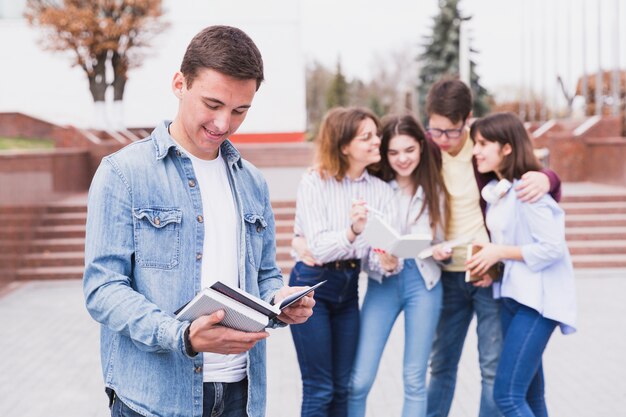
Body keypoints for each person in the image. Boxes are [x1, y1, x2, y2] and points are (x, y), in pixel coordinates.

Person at [83, 25, 314, 417]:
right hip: (154, 400)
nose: (223, 124)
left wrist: (279, 301)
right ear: (179, 83)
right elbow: (103, 290)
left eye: (240, 111)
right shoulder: (124, 173)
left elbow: (263, 274)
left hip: (241, 394)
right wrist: (183, 336)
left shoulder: (252, 182)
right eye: (212, 104)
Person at [424, 78, 562, 417]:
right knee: (441, 364)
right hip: (445, 274)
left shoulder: (484, 148)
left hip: (489, 274)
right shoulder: (428, 148)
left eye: (452, 132)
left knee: (493, 369)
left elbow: (529, 177)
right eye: (436, 130)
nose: (443, 140)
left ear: (467, 119)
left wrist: (549, 178)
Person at [289, 107, 397, 417]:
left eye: (376, 134)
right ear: (344, 145)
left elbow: (376, 256)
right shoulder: (314, 182)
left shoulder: (380, 191)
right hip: (311, 287)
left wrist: (388, 261)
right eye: (367, 137)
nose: (378, 141)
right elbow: (319, 250)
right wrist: (352, 232)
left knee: (342, 387)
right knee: (319, 387)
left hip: (348, 290)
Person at [467, 112, 577, 417]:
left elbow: (552, 248)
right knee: (531, 395)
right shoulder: (500, 190)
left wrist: (497, 251)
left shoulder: (529, 190)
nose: (476, 150)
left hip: (538, 303)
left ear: (507, 147)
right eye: (475, 143)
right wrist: (491, 264)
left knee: (507, 396)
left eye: (483, 143)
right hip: (513, 297)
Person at [346, 114, 449, 417]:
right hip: (383, 283)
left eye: (409, 150)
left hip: (425, 283)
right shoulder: (374, 188)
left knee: (414, 379)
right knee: (359, 380)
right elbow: (362, 243)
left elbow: (441, 238)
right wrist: (382, 258)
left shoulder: (435, 188)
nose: (402, 159)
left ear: (420, 146)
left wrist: (440, 250)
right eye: (393, 152)